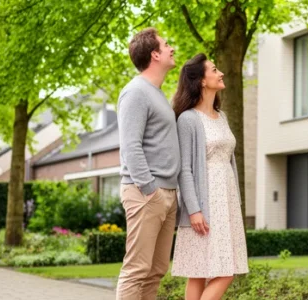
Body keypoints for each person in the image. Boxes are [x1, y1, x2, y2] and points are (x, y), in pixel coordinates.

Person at [171, 53, 249, 300]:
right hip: (205, 204)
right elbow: (184, 168)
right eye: (214, 69)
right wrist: (193, 209)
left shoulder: (222, 116)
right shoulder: (187, 119)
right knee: (216, 270)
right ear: (202, 81)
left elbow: (228, 160)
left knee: (208, 271)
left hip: (226, 202)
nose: (221, 73)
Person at [115, 27, 179, 300]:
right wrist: (150, 189)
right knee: (137, 270)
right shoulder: (136, 92)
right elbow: (130, 146)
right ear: (154, 54)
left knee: (156, 271)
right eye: (166, 45)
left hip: (166, 193)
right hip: (146, 192)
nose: (171, 48)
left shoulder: (157, 93)